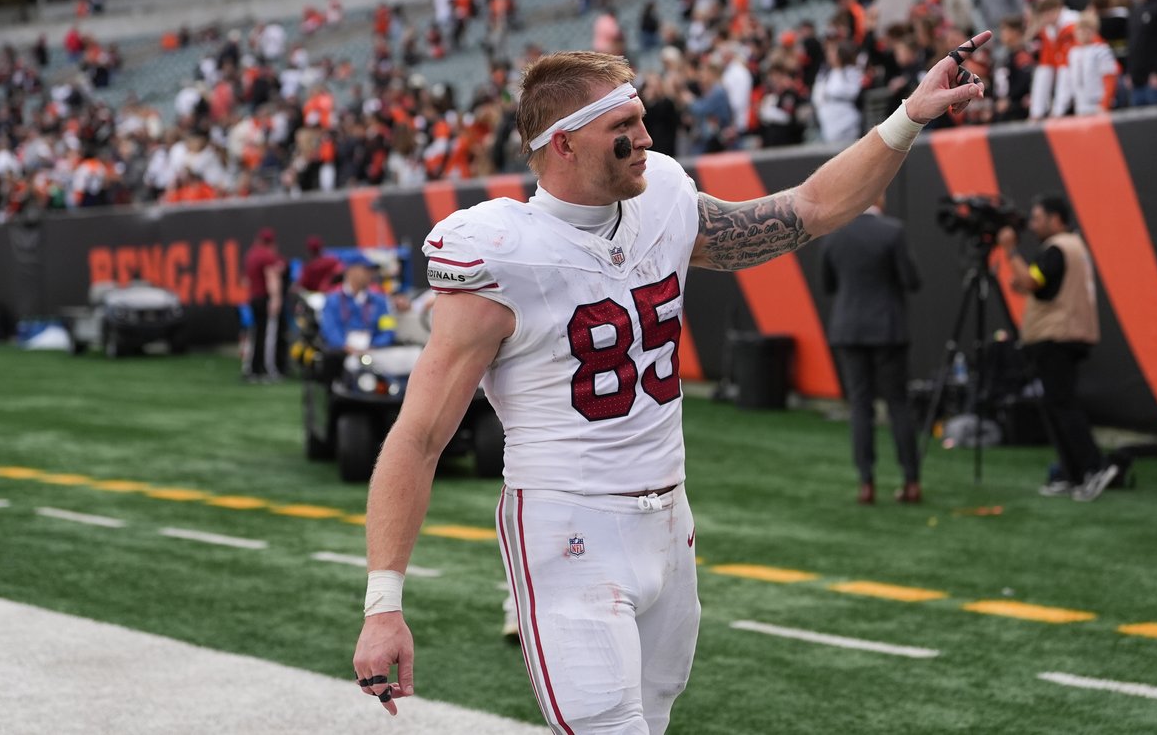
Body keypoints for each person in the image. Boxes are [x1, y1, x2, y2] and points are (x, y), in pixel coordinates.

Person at [353, 38, 989, 730]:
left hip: (669, 522)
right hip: (568, 527)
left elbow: (807, 208)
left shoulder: (663, 198)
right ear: (563, 144)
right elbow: (417, 437)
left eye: (640, 118)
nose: (645, 138)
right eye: (622, 128)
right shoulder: (504, 254)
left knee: (652, 720)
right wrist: (383, 601)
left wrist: (908, 117)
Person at [996, 195, 1118, 502]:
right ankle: (1072, 472)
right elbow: (1038, 282)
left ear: (1055, 219)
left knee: (1063, 405)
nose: (1033, 225)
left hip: (1057, 338)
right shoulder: (1070, 248)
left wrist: (1010, 250)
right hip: (1066, 336)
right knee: (1056, 405)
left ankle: (1093, 468)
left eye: (1038, 218)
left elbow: (1032, 282)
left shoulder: (1057, 248)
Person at [820, 194, 922, 504]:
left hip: (849, 330)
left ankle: (866, 483)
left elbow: (827, 285)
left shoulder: (834, 234)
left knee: (861, 407)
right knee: (898, 405)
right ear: (879, 198)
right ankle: (911, 481)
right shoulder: (893, 231)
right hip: (887, 330)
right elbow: (912, 280)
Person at [319, 254, 396, 354]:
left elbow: (388, 330)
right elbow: (329, 330)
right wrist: (345, 347)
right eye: (365, 270)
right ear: (351, 271)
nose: (370, 274)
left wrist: (374, 346)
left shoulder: (380, 301)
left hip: (373, 354)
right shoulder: (332, 301)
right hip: (341, 357)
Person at [241, 227, 284, 382]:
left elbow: (245, 280)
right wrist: (275, 299)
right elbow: (271, 278)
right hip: (263, 298)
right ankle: (267, 369)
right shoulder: (267, 256)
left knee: (254, 335)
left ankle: (251, 368)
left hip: (253, 297)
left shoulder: (251, 254)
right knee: (267, 337)